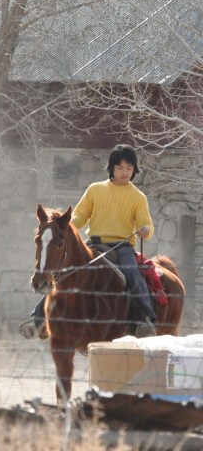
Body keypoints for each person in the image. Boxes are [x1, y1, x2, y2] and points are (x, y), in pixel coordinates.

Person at [20, 144, 158, 340]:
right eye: (120, 167)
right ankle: (38, 320)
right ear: (111, 168)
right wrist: (63, 225)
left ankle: (145, 320)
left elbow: (146, 224)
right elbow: (79, 216)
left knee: (132, 274)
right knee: (63, 274)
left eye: (129, 168)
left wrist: (146, 230)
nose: (124, 172)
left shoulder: (138, 197)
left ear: (134, 170)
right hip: (93, 244)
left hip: (122, 247)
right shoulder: (95, 190)